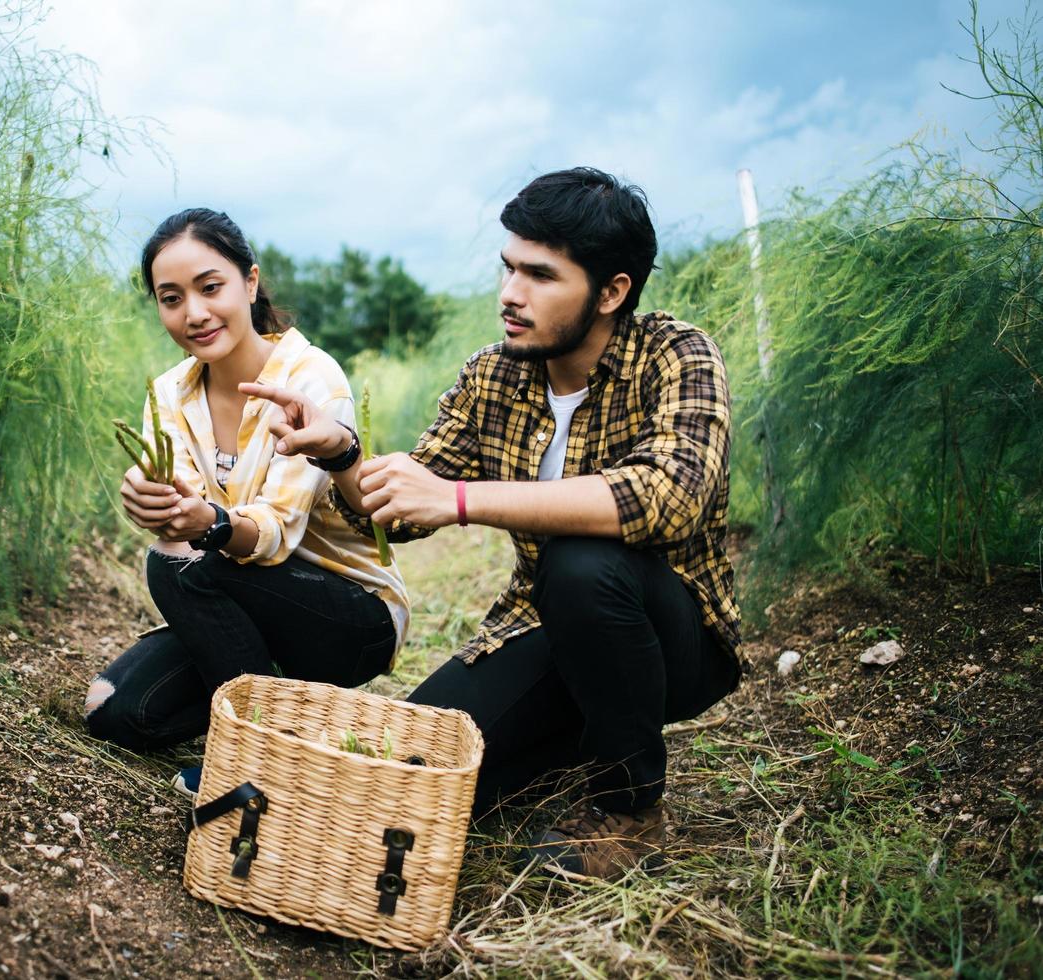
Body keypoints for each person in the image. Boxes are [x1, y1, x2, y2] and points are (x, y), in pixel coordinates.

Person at [243, 168, 743, 879]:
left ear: (611, 292)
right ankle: (569, 740)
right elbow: (402, 509)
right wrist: (343, 452)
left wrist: (462, 498)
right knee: (412, 769)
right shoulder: (493, 376)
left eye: (540, 275)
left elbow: (668, 494)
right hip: (547, 627)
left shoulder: (676, 354)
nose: (510, 294)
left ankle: (629, 810)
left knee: (580, 562)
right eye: (508, 267)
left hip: (675, 638)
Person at [83, 208, 409, 797]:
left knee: (175, 565)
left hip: (344, 613)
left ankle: (257, 755)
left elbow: (275, 533)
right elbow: (182, 512)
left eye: (211, 288)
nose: (195, 313)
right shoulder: (169, 394)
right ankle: (295, 714)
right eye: (171, 298)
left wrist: (201, 524)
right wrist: (152, 496)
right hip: (240, 597)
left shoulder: (312, 380)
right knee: (116, 713)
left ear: (250, 283)